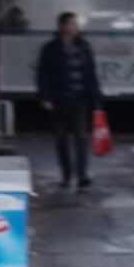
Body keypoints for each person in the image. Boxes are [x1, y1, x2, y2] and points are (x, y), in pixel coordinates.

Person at [36, 11, 103, 188]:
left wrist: (96, 97)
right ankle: (66, 175)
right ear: (63, 26)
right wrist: (45, 97)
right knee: (61, 138)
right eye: (72, 24)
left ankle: (82, 174)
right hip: (59, 99)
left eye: (75, 24)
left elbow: (91, 73)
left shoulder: (83, 47)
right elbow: (43, 74)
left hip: (80, 98)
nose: (75, 27)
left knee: (81, 136)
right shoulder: (51, 49)